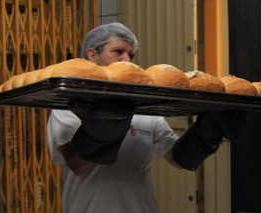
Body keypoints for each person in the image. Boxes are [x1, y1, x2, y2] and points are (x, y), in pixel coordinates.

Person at [47, 22, 246, 213]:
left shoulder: (142, 106)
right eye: (118, 51)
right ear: (93, 55)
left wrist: (208, 131)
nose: (127, 59)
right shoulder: (70, 106)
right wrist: (104, 130)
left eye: (130, 54)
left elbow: (177, 158)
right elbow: (77, 165)